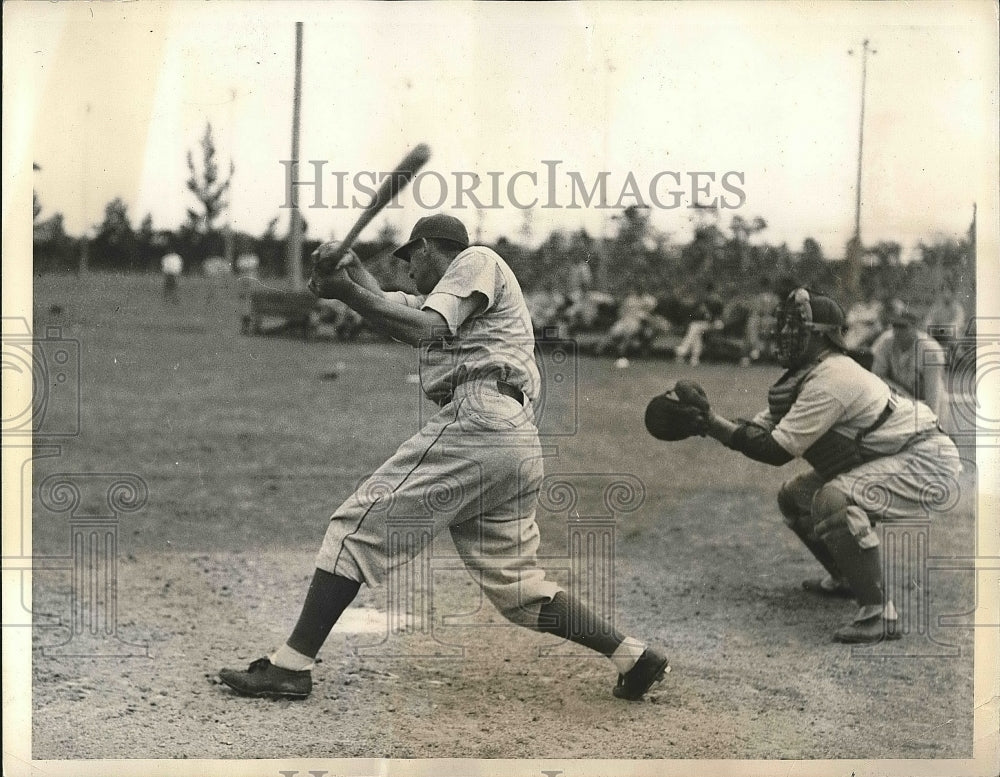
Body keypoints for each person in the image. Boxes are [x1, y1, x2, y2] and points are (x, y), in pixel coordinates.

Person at [218, 214, 669, 701]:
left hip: (481, 421)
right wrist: (345, 273)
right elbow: (394, 309)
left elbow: (424, 328)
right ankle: (632, 656)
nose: (408, 270)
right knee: (519, 590)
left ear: (432, 248)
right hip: (512, 440)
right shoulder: (451, 299)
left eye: (411, 257)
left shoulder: (477, 261)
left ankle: (291, 665)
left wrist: (345, 291)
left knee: (353, 529)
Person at [668, 288, 961, 643]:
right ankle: (847, 578)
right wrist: (709, 423)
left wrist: (711, 421)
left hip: (924, 457)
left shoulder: (833, 377)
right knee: (794, 498)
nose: (786, 335)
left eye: (797, 328)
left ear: (822, 336)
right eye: (787, 326)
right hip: (890, 451)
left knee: (832, 500)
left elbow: (776, 450)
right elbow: (759, 430)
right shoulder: (807, 375)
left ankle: (879, 613)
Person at [870, 301, 948, 420]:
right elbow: (876, 377)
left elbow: (933, 400)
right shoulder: (886, 342)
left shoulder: (930, 351)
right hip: (901, 404)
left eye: (903, 326)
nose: (898, 331)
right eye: (895, 325)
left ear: (915, 326)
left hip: (930, 406)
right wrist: (904, 395)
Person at [674, 284, 723, 367]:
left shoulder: (717, 301)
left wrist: (708, 316)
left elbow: (716, 317)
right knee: (696, 332)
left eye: (711, 293)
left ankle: (683, 350)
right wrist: (704, 314)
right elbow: (698, 316)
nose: (710, 295)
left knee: (694, 327)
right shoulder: (706, 301)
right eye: (709, 293)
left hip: (718, 323)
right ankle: (694, 359)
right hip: (706, 324)